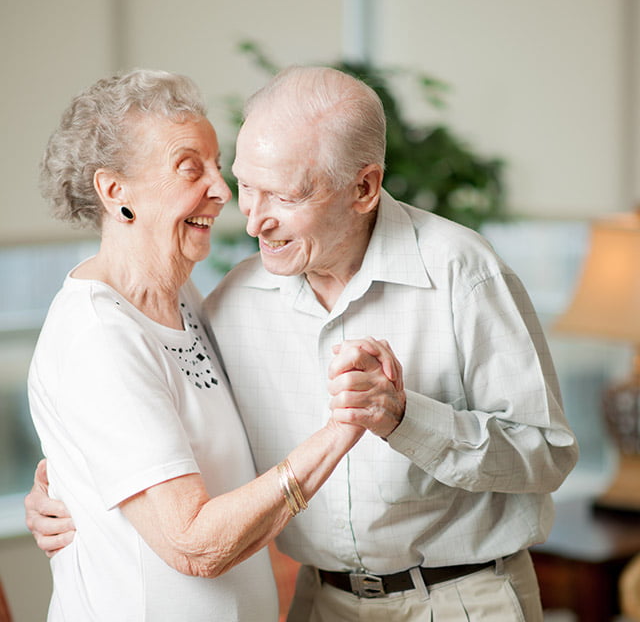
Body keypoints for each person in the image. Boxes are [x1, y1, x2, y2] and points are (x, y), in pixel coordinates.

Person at [27, 66, 579, 621]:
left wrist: (406, 418)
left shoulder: (462, 273)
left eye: (284, 195)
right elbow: (143, 447)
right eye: (246, 185)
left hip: (464, 599)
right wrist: (69, 489)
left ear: (363, 188)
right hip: (324, 603)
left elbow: (548, 454)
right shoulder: (230, 302)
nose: (249, 220)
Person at [26, 68, 399, 621]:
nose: (224, 191)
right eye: (189, 168)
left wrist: (72, 474)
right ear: (115, 191)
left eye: (217, 166)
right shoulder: (98, 334)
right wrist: (343, 428)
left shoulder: (185, 299)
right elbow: (193, 544)